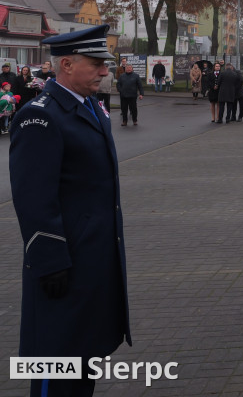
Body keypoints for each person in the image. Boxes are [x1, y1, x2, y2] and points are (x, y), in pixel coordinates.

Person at [9, 24, 130, 396]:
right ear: (66, 65)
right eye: (96, 64)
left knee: (82, 363)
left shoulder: (91, 108)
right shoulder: (40, 116)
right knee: (57, 369)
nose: (105, 71)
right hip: (62, 269)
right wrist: (49, 262)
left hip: (91, 263)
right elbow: (33, 199)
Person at [115, 63, 144, 127]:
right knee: (124, 109)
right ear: (125, 69)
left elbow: (140, 86)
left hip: (132, 96)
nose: (128, 69)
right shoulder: (122, 76)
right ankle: (124, 121)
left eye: (130, 68)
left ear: (132, 69)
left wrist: (141, 94)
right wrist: (120, 90)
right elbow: (118, 84)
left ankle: (135, 120)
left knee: (134, 109)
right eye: (127, 68)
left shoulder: (136, 76)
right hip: (124, 96)